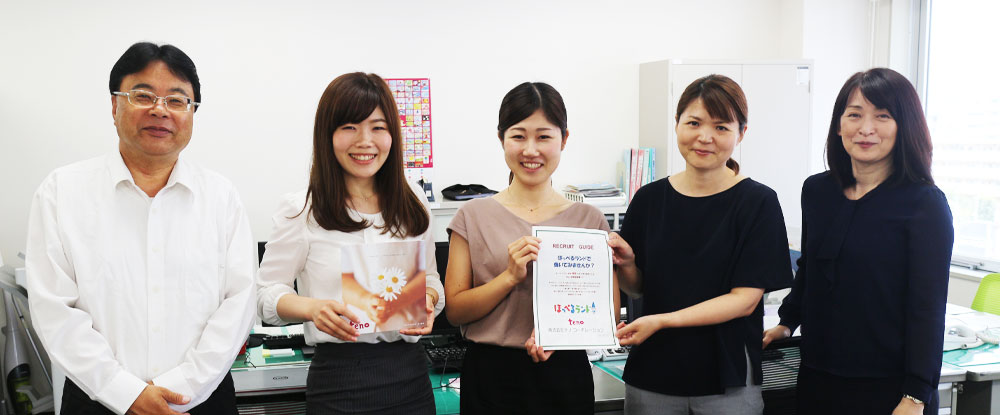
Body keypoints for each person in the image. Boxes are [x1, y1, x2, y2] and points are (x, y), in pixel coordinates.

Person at [26, 42, 256, 415]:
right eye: (143, 96)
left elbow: (239, 303)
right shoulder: (62, 192)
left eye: (177, 100)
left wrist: (182, 387)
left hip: (201, 400)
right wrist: (126, 393)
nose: (160, 110)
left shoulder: (221, 197)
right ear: (114, 106)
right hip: (97, 400)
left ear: (192, 113)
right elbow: (54, 309)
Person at [762, 68, 953, 415]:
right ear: (839, 125)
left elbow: (927, 308)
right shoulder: (817, 191)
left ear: (904, 126)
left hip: (890, 387)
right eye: (854, 115)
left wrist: (916, 394)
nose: (866, 128)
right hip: (818, 376)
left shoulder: (925, 204)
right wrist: (787, 322)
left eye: (882, 116)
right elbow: (811, 268)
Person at [256, 72, 443, 414]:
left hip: (411, 377)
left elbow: (430, 278)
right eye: (349, 127)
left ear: (392, 134)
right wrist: (312, 309)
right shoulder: (301, 209)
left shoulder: (413, 200)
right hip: (339, 381)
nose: (365, 141)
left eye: (377, 127)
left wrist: (428, 299)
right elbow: (265, 294)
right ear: (327, 135)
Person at [608, 74, 792, 415]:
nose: (705, 137)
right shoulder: (649, 199)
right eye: (694, 123)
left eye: (721, 127)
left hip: (727, 377)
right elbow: (636, 289)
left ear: (741, 133)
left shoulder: (758, 202)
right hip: (653, 371)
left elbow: (744, 301)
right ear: (677, 124)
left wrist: (662, 321)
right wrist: (629, 264)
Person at [444, 81, 615, 414]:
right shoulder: (472, 216)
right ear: (501, 139)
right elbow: (455, 311)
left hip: (565, 374)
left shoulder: (589, 220)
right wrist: (509, 276)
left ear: (564, 139)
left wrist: (560, 337)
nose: (530, 150)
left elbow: (604, 314)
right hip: (490, 377)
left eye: (544, 137)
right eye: (519, 136)